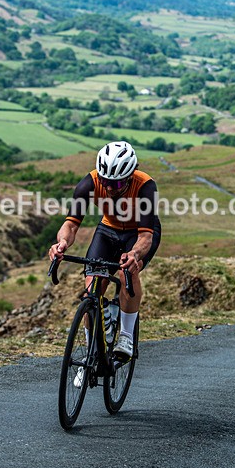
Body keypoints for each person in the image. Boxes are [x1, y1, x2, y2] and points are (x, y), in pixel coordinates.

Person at [48, 141, 161, 359]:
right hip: (108, 230)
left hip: (137, 233)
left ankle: (126, 336)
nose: (109, 189)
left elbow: (146, 236)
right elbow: (71, 225)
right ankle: (91, 352)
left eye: (117, 185)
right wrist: (62, 243)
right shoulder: (88, 184)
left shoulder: (146, 186)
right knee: (91, 291)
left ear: (130, 176)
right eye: (105, 182)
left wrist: (135, 254)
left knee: (128, 271)